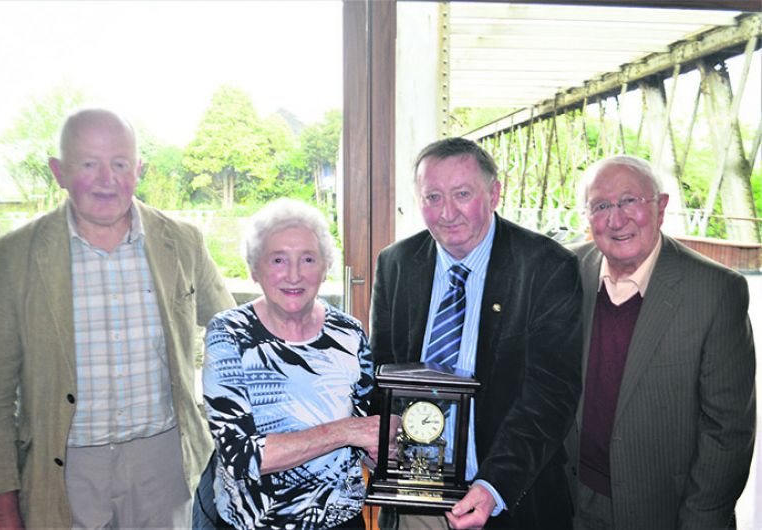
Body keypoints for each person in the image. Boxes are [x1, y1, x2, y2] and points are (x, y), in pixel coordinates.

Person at [0, 109, 234, 529]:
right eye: (89, 163)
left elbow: (235, 338)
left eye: (120, 163)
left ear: (138, 170)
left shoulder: (182, 242)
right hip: (63, 468)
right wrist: (0, 508)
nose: (107, 178)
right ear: (60, 171)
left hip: (165, 467)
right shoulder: (14, 256)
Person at [370, 137, 584, 529]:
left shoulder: (547, 268)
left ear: (494, 194)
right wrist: (379, 437)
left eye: (462, 194)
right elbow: (381, 370)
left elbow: (551, 396)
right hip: (416, 496)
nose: (447, 212)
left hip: (507, 497)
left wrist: (493, 485)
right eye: (432, 196)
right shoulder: (395, 264)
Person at [567, 155, 756, 529]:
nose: (616, 219)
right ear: (587, 217)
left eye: (630, 201)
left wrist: (701, 519)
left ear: (662, 207)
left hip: (665, 511)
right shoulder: (564, 271)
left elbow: (728, 430)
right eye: (601, 206)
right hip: (570, 500)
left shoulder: (716, 292)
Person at [197, 198, 399, 529]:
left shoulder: (349, 332)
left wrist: (381, 448)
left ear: (325, 267)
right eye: (278, 259)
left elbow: (364, 425)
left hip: (340, 520)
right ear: (254, 268)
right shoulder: (228, 333)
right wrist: (347, 431)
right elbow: (242, 456)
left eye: (308, 259)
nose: (294, 275)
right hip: (251, 522)